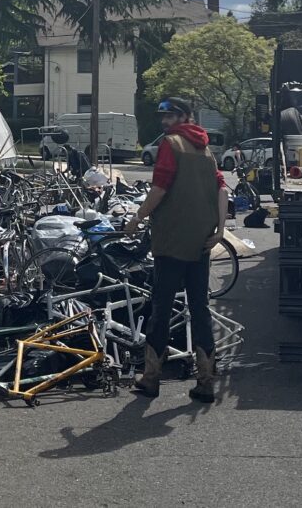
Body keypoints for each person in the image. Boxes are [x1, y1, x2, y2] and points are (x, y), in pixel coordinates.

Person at [124, 97, 229, 403]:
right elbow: (221, 188)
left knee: (161, 306)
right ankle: (206, 381)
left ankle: (151, 378)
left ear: (185, 116)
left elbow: (160, 187)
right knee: (200, 308)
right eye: (163, 116)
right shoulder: (205, 148)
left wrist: (138, 216)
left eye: (171, 115)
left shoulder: (171, 144)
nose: (165, 121)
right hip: (201, 241)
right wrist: (220, 230)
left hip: (171, 240)